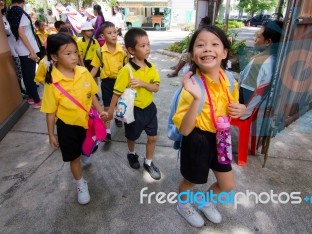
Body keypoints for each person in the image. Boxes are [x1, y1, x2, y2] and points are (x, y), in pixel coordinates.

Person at [172, 25, 246, 227]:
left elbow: (233, 107)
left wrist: (241, 108)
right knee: (192, 180)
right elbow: (185, 130)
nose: (207, 49)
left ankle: (205, 202)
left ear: (224, 53)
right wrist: (196, 98)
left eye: (214, 44)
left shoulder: (229, 80)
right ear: (193, 56)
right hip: (197, 139)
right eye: (200, 45)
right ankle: (183, 204)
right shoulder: (192, 86)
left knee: (228, 186)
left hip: (221, 137)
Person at [40, 33, 107, 205]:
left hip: (87, 122)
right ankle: (80, 183)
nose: (74, 57)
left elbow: (92, 94)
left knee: (88, 147)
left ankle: (86, 152)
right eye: (68, 54)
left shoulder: (83, 72)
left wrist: (101, 112)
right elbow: (50, 111)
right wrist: (51, 134)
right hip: (66, 126)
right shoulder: (52, 82)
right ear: (55, 57)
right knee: (73, 157)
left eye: (75, 53)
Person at [107, 28, 161, 180]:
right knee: (132, 137)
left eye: (148, 44)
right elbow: (116, 92)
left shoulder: (151, 68)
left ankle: (148, 162)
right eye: (143, 46)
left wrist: (143, 83)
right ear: (131, 50)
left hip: (149, 109)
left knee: (152, 138)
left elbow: (156, 88)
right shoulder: (126, 70)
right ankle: (132, 154)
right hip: (133, 111)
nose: (147, 48)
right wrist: (110, 112)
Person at [7, 0, 42, 109]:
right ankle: (37, 100)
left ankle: (33, 98)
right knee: (30, 76)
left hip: (22, 48)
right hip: (26, 49)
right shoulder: (18, 11)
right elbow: (21, 32)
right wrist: (32, 51)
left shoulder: (11, 11)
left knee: (28, 75)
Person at [238, 20, 283, 119]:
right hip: (253, 109)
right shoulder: (276, 59)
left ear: (268, 42)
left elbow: (244, 96)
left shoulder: (258, 63)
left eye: (258, 37)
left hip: (241, 111)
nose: (255, 39)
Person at [90, 21, 127, 141]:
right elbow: (95, 69)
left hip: (120, 83)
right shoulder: (99, 52)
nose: (113, 35)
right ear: (102, 36)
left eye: (115, 32)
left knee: (120, 106)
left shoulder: (122, 51)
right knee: (106, 108)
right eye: (109, 33)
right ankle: (107, 132)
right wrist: (86, 81)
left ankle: (117, 118)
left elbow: (127, 68)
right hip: (106, 83)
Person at [0, 0, 25, 96]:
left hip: (14, 47)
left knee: (18, 71)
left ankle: (22, 91)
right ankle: (20, 92)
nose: (1, 2)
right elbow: (7, 31)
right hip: (8, 49)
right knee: (16, 71)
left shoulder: (4, 15)